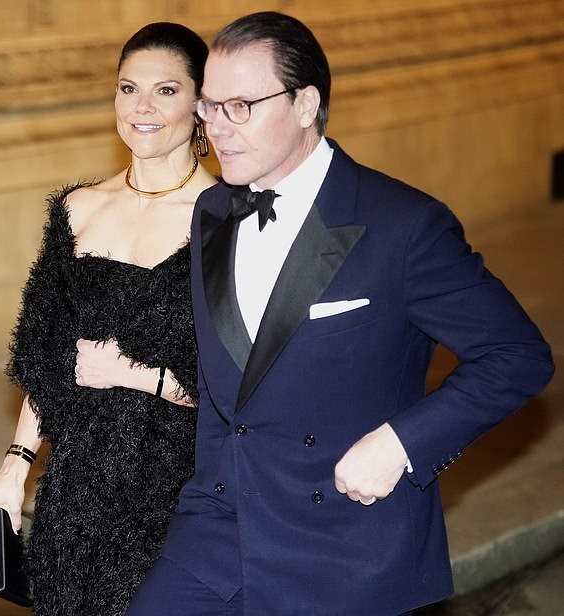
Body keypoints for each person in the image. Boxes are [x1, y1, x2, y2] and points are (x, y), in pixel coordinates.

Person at [125, 11, 555, 616]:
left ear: (305, 105)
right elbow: (224, 379)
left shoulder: (403, 226)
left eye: (240, 106)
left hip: (342, 543)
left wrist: (402, 444)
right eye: (209, 106)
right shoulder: (213, 211)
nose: (217, 128)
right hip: (220, 528)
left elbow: (517, 357)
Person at [0, 22, 216, 615]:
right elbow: (43, 355)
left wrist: (138, 375)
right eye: (129, 88)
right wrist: (15, 466)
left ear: (201, 105)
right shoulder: (79, 210)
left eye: (165, 90)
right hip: (77, 489)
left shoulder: (226, 220)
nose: (142, 108)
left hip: (180, 492)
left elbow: (246, 386)